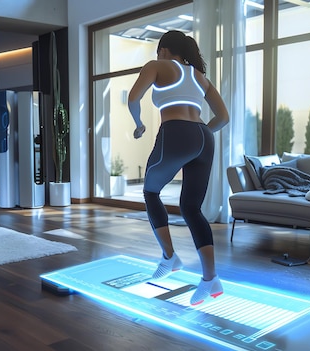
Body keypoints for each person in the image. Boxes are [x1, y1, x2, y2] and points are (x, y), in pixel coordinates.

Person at [127, 30, 230, 306]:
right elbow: (223, 117)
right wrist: (198, 137)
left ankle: (170, 257)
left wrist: (139, 125)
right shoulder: (199, 77)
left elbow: (133, 98)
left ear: (162, 50)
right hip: (204, 137)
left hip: (175, 132)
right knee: (191, 207)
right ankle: (211, 279)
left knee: (150, 191)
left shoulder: (156, 66)